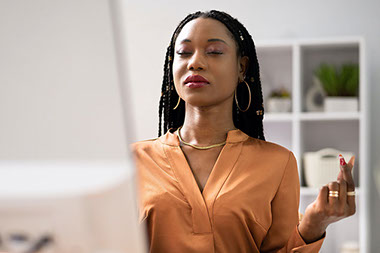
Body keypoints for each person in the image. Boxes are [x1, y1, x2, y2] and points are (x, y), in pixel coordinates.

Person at [131, 10, 356, 253]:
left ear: (241, 67)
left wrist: (314, 224)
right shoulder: (134, 160)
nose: (194, 62)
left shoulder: (278, 163)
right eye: (184, 53)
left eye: (214, 52)